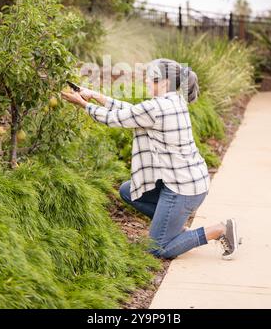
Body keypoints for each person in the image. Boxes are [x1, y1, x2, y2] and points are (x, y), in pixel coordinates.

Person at [61, 58, 238, 260]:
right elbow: (131, 111)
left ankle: (219, 230)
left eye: (150, 79)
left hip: (183, 190)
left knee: (158, 248)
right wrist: (94, 95)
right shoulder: (173, 100)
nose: (145, 82)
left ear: (163, 83)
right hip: (191, 181)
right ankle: (171, 225)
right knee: (128, 191)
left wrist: (83, 104)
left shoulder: (157, 108)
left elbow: (114, 119)